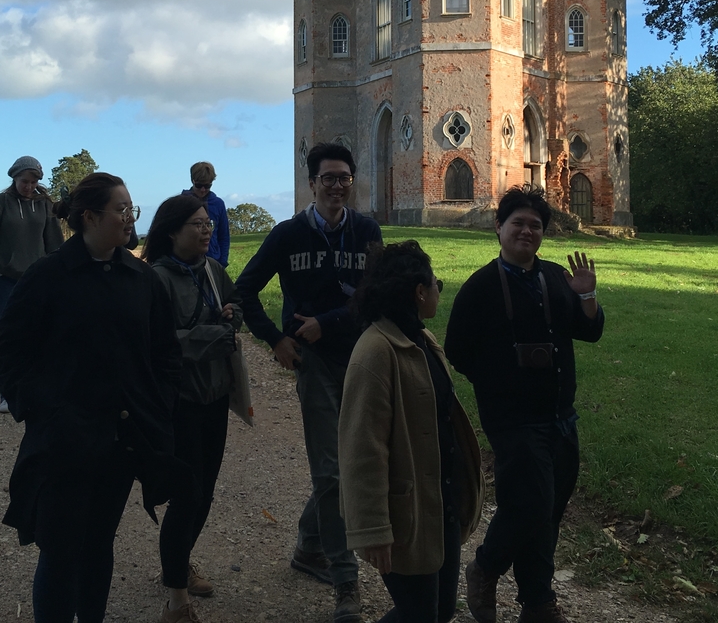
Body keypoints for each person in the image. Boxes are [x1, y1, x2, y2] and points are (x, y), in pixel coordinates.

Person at [0, 172, 181, 623]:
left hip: (120, 442)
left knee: (98, 544)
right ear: (90, 217)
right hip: (64, 443)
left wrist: (158, 406)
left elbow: (165, 354)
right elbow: (7, 350)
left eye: (132, 209)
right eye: (122, 209)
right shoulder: (47, 276)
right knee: (59, 547)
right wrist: (40, 410)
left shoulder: (142, 279)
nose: (131, 218)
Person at [234, 141, 382, 623]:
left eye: (344, 177)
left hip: (360, 360)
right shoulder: (288, 235)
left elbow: (374, 296)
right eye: (328, 178)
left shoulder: (366, 232)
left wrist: (330, 321)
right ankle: (346, 584)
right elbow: (244, 291)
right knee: (332, 471)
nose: (337, 186)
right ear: (312, 182)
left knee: (349, 465)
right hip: (315, 365)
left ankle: (308, 545)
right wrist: (275, 339)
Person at [444, 185, 604, 623]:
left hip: (560, 416)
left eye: (535, 225)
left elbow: (590, 333)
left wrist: (587, 296)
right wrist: (499, 382)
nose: (527, 231)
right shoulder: (480, 287)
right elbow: (457, 350)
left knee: (548, 511)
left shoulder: (555, 276)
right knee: (530, 503)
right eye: (518, 223)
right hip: (513, 419)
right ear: (499, 228)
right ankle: (486, 567)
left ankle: (537, 602)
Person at [339, 241, 485, 623]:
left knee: (436, 613)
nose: (439, 289)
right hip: (408, 516)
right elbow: (361, 449)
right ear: (419, 292)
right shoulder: (374, 351)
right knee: (420, 614)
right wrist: (372, 530)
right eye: (435, 282)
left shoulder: (423, 340)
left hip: (441, 509)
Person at [143, 194, 243, 623]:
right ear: (171, 232)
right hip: (178, 403)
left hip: (215, 398)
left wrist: (231, 314)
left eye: (208, 224)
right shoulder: (156, 280)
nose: (206, 231)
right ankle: (177, 601)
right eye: (196, 225)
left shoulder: (213, 270)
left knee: (205, 492)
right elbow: (156, 345)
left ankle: (178, 562)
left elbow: (234, 310)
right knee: (187, 496)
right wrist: (212, 335)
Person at [0, 155, 65, 413]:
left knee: (39, 333)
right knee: (10, 335)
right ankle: (8, 393)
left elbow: (54, 243)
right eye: (24, 181)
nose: (28, 186)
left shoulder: (45, 205)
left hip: (35, 279)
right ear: (14, 178)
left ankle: (37, 388)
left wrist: (61, 275)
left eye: (34, 181)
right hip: (3, 280)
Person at [184, 162, 231, 267]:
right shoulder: (182, 203)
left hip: (213, 261)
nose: (203, 190)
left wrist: (222, 262)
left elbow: (224, 236)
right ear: (193, 181)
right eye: (199, 185)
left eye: (207, 185)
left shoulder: (218, 204)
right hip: (188, 262)